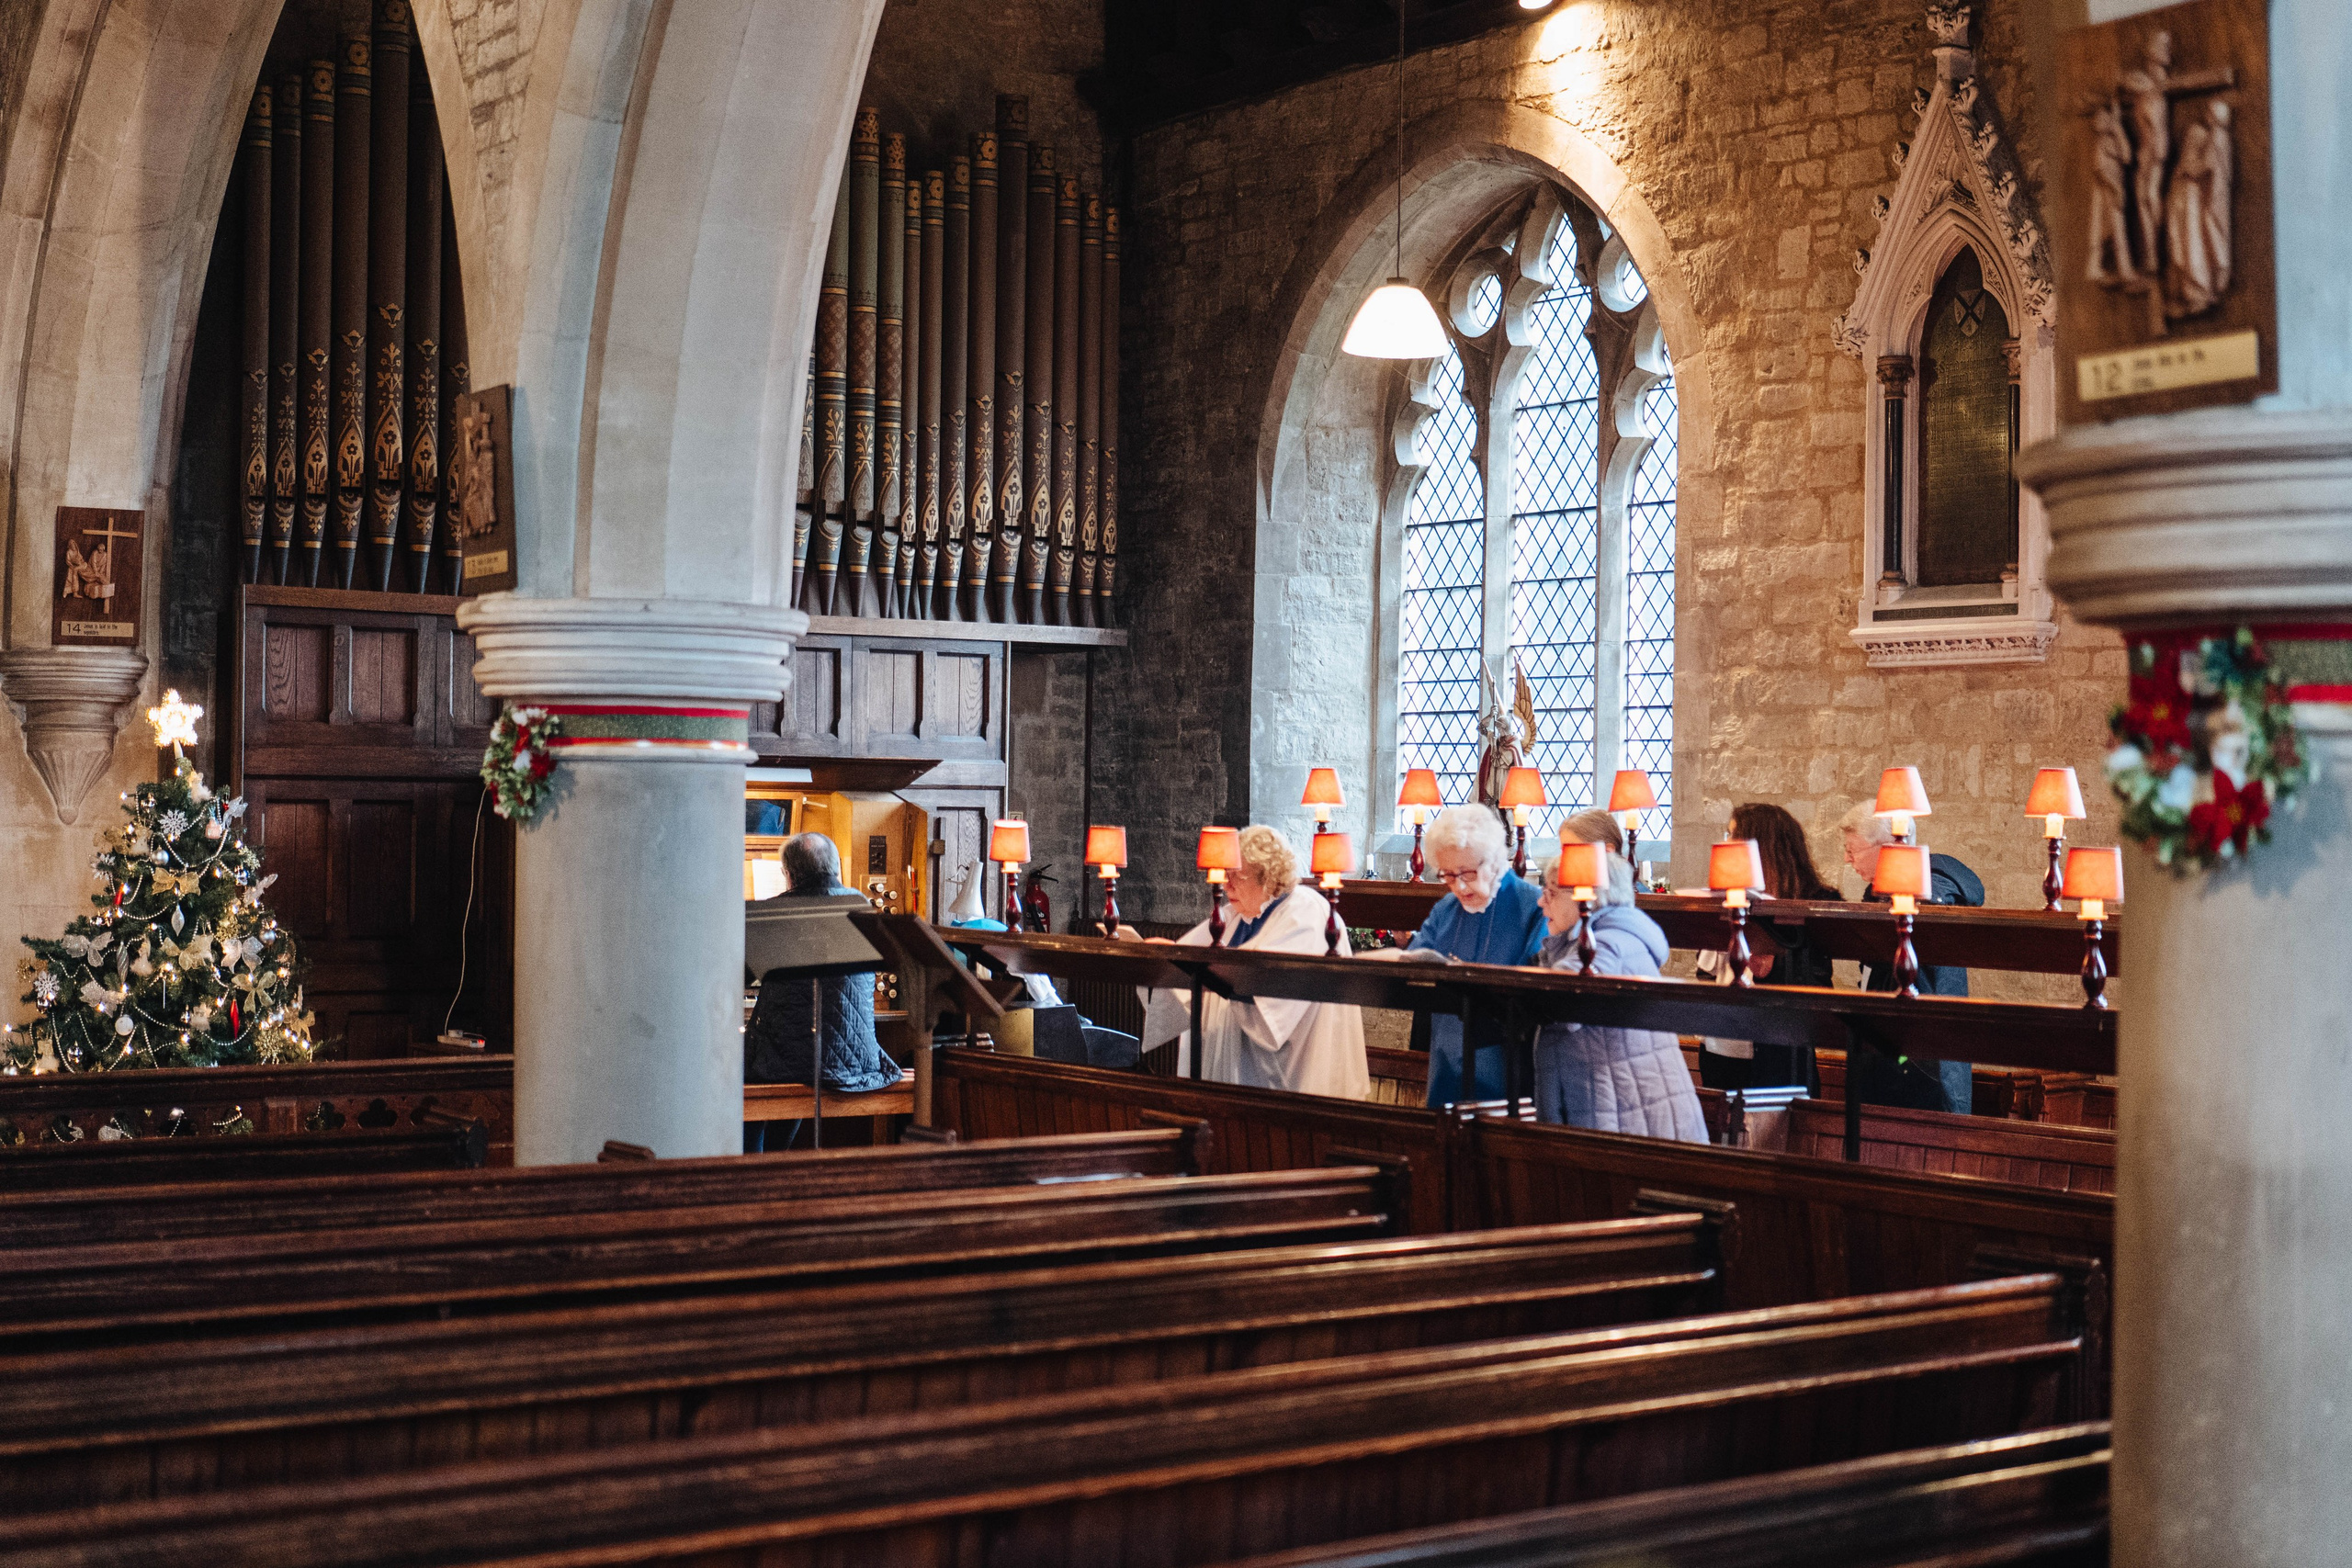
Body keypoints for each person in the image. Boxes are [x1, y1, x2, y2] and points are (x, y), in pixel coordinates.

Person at [1129, 825, 1369, 1098]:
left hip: (1291, 1076)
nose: (1226, 885)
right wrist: (1167, 957)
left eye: (1237, 877)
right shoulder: (1236, 915)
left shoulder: (1306, 912)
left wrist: (1195, 967)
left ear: (1268, 878)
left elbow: (1271, 993)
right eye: (1227, 875)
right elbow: (1191, 957)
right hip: (1230, 1067)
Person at [1532, 819, 1707, 1141]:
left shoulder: (1613, 942)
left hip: (1634, 1123)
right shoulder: (1595, 938)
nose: (1541, 902)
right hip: (1621, 1112)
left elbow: (1564, 993)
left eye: (1550, 893)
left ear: (1586, 896)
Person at [1363, 804, 1545, 1106]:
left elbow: (1535, 991)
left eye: (1468, 873)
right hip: (1446, 1063)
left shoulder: (1534, 907)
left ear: (1494, 859)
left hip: (1509, 1070)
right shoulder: (1446, 909)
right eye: (1448, 875)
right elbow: (1416, 965)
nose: (1459, 886)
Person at [743, 833, 903, 1151]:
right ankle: (776, 1157)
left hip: (798, 1061)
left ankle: (753, 1163)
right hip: (858, 1063)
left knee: (737, 1069)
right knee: (789, 1055)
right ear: (836, 868)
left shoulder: (775, 912)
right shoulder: (861, 905)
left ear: (789, 874)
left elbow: (741, 977)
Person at [1839, 802, 1984, 1115]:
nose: (1847, 859)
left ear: (1889, 847)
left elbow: (1935, 899)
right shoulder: (1877, 896)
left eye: (1853, 850)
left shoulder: (1930, 889)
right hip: (1882, 1052)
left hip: (1922, 1064)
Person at [1700, 803, 1838, 1097]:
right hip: (1722, 1047)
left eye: (1733, 836)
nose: (1726, 843)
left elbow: (1818, 986)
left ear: (1760, 846)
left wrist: (1772, 969)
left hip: (1780, 1055)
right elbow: (1706, 970)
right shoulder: (1727, 895)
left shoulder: (1811, 902)